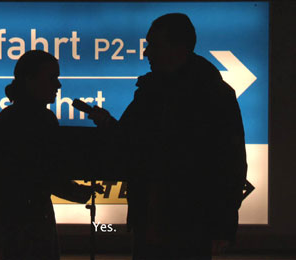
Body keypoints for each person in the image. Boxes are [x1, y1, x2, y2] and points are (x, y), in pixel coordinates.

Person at [88, 13, 247, 260]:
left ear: (178, 48)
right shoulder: (208, 92)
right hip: (169, 220)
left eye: (153, 45)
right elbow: (231, 164)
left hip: (183, 222)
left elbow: (230, 164)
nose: (146, 53)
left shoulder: (201, 95)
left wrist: (222, 225)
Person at [0, 50, 104, 260]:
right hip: (26, 234)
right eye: (52, 78)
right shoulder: (38, 121)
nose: (58, 85)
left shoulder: (7, 120)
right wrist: (78, 192)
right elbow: (44, 173)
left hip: (4, 233)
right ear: (30, 80)